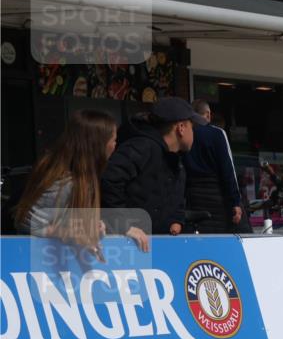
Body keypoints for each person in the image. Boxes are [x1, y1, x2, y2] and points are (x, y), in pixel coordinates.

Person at [100, 97, 202, 251]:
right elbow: (109, 180)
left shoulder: (176, 160)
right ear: (181, 128)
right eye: (192, 127)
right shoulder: (142, 147)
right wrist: (124, 225)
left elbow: (175, 198)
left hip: (155, 249)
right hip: (126, 249)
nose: (194, 133)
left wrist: (176, 219)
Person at [15, 110, 118, 257]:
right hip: (33, 262)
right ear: (98, 145)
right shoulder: (64, 182)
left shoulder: (82, 177)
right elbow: (26, 223)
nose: (115, 145)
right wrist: (65, 232)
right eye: (113, 140)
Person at [183, 99, 247, 233]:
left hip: (192, 198)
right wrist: (235, 201)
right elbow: (227, 170)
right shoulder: (217, 134)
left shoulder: (183, 134)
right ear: (207, 114)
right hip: (217, 199)